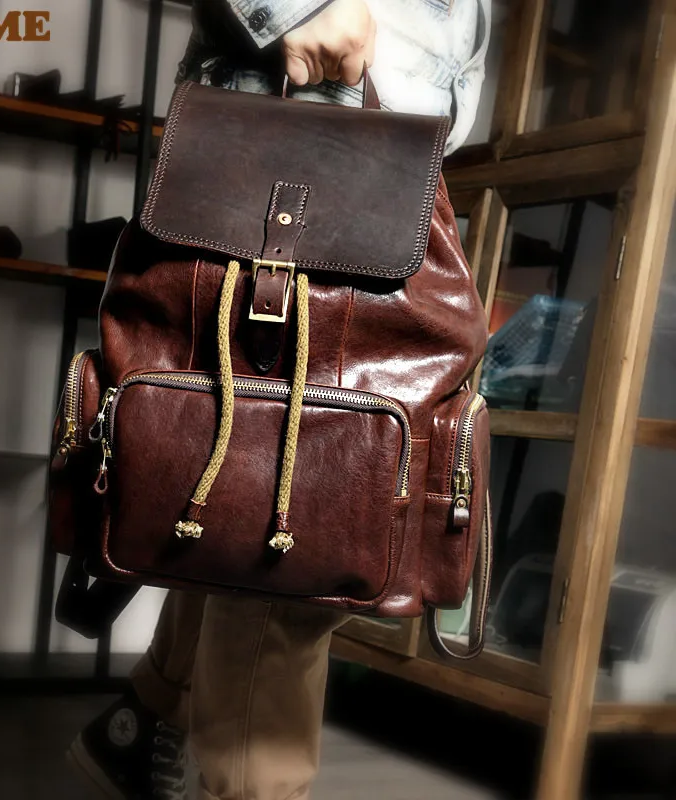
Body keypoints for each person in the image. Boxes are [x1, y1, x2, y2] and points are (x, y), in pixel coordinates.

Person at [67, 1, 490, 798]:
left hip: (392, 142)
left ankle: (146, 723)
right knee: (307, 508)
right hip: (308, 96)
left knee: (253, 488)